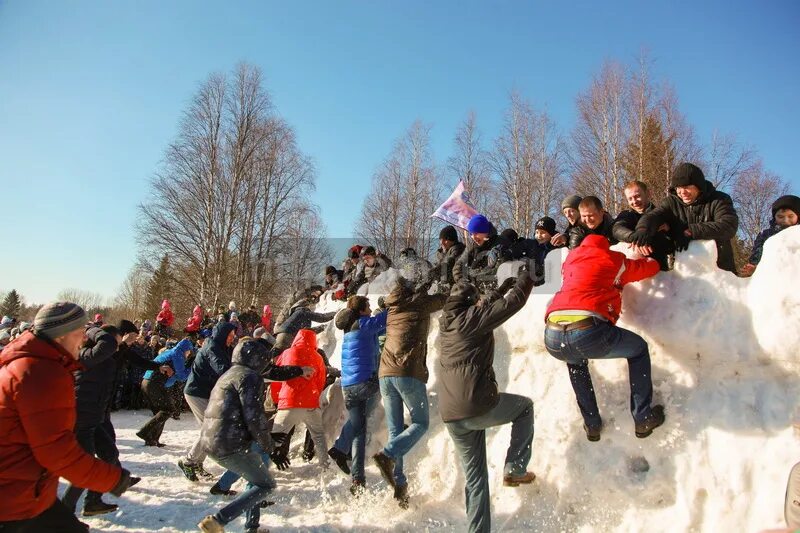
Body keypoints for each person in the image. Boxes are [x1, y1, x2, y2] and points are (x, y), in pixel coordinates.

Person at [0, 302, 132, 532]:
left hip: (28, 491)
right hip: (14, 500)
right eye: (80, 333)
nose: (83, 340)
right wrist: (113, 479)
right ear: (62, 335)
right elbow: (56, 451)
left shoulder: (34, 359)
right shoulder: (41, 372)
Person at [438, 270, 536, 533]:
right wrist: (526, 277)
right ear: (470, 302)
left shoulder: (447, 324)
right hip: (474, 405)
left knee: (476, 480)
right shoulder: (471, 319)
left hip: (451, 415)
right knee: (524, 408)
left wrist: (500, 289)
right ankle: (515, 467)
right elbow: (513, 304)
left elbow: (482, 309)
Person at [543, 234, 665, 442]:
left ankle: (592, 424)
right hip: (587, 331)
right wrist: (657, 258)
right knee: (638, 349)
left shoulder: (571, 260)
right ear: (606, 247)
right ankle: (642, 416)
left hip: (553, 335)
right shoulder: (613, 260)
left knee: (576, 363)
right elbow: (647, 268)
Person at [373, 277, 446, 508]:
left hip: (385, 373)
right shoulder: (419, 304)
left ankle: (400, 484)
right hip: (407, 371)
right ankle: (387, 455)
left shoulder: (393, 308)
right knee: (421, 423)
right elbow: (442, 300)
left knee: (396, 429)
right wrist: (443, 285)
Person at [62, 323, 147, 516]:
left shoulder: (103, 358)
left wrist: (123, 345)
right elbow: (108, 345)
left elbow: (116, 354)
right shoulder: (86, 356)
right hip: (82, 419)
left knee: (109, 455)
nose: (117, 346)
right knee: (86, 467)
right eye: (116, 342)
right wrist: (91, 328)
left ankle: (93, 501)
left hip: (96, 418)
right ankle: (65, 512)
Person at [197, 339, 278, 533]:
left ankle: (252, 527)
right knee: (266, 484)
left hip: (212, 440)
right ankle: (218, 520)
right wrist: (270, 446)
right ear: (258, 359)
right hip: (229, 443)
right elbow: (254, 416)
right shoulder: (249, 377)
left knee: (255, 477)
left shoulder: (229, 373)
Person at [634, 162, 739, 273]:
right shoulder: (672, 202)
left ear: (698, 186)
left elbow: (729, 225)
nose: (682, 192)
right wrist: (642, 229)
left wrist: (690, 231)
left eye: (687, 187)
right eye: (678, 187)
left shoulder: (719, 200)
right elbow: (654, 216)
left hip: (719, 270)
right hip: (686, 272)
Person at [334, 296, 388, 495]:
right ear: (362, 310)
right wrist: (391, 305)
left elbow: (381, 329)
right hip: (365, 384)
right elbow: (385, 320)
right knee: (388, 387)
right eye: (369, 306)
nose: (371, 308)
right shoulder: (364, 324)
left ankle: (358, 479)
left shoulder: (352, 329)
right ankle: (399, 425)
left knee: (359, 430)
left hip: (349, 387)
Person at [178, 322, 237, 486]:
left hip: (208, 392)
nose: (232, 338)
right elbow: (223, 368)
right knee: (210, 429)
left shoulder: (224, 347)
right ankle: (188, 462)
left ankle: (196, 462)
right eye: (230, 335)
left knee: (209, 429)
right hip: (197, 392)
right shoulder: (212, 346)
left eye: (233, 335)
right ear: (222, 334)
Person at [269, 330, 328, 471]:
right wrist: (314, 396)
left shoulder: (286, 353)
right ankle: (325, 466)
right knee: (318, 435)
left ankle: (264, 467)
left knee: (275, 438)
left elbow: (277, 379)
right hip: (310, 404)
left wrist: (277, 400)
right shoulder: (318, 356)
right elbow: (321, 380)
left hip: (288, 402)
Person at [613, 180, 686, 271]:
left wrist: (668, 232)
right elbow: (617, 229)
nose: (634, 201)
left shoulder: (662, 214)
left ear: (648, 193)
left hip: (659, 272)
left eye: (637, 196)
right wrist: (637, 239)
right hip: (632, 272)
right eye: (630, 199)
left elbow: (672, 247)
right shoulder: (626, 215)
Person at [136, 338, 193, 447]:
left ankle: (152, 440)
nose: (189, 354)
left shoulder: (171, 351)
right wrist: (191, 368)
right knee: (168, 410)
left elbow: (175, 376)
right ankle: (145, 432)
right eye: (189, 351)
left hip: (148, 381)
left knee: (160, 412)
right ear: (186, 349)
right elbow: (181, 376)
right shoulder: (178, 354)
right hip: (154, 383)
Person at [453, 214, 512, 293]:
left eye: (476, 233)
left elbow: (499, 271)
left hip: (496, 293)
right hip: (473, 292)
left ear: (485, 231)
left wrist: (475, 279)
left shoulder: (500, 244)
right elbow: (458, 266)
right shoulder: (472, 246)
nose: (473, 237)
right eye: (471, 234)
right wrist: (463, 281)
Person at [743, 194, 800, 275]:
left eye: (790, 216)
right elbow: (758, 253)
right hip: (772, 275)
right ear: (774, 217)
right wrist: (755, 266)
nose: (786, 220)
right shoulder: (765, 235)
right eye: (780, 217)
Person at [428, 225, 466, 293]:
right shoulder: (441, 253)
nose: (442, 242)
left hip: (457, 288)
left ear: (453, 240)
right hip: (442, 287)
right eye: (441, 239)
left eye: (446, 240)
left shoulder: (458, 249)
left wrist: (431, 273)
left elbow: (449, 263)